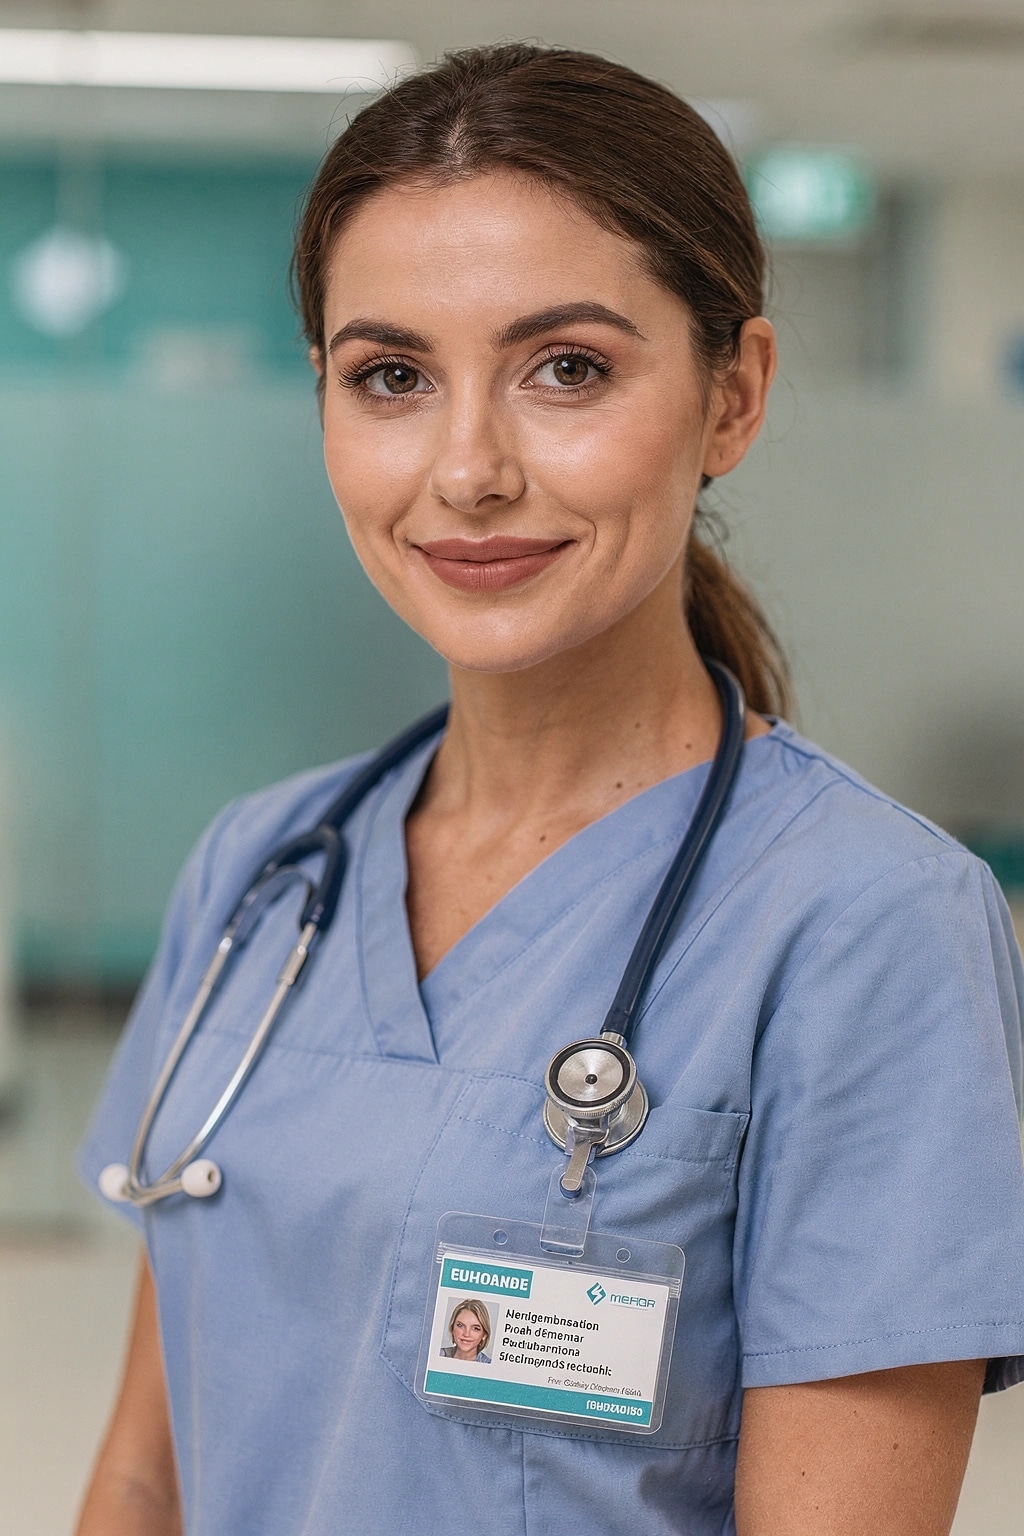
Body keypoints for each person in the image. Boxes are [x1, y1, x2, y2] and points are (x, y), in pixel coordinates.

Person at [75, 42, 1024, 1536]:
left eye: (567, 369)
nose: (468, 470)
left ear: (733, 397)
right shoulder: (264, 867)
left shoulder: (869, 926)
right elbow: (147, 1473)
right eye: (390, 377)